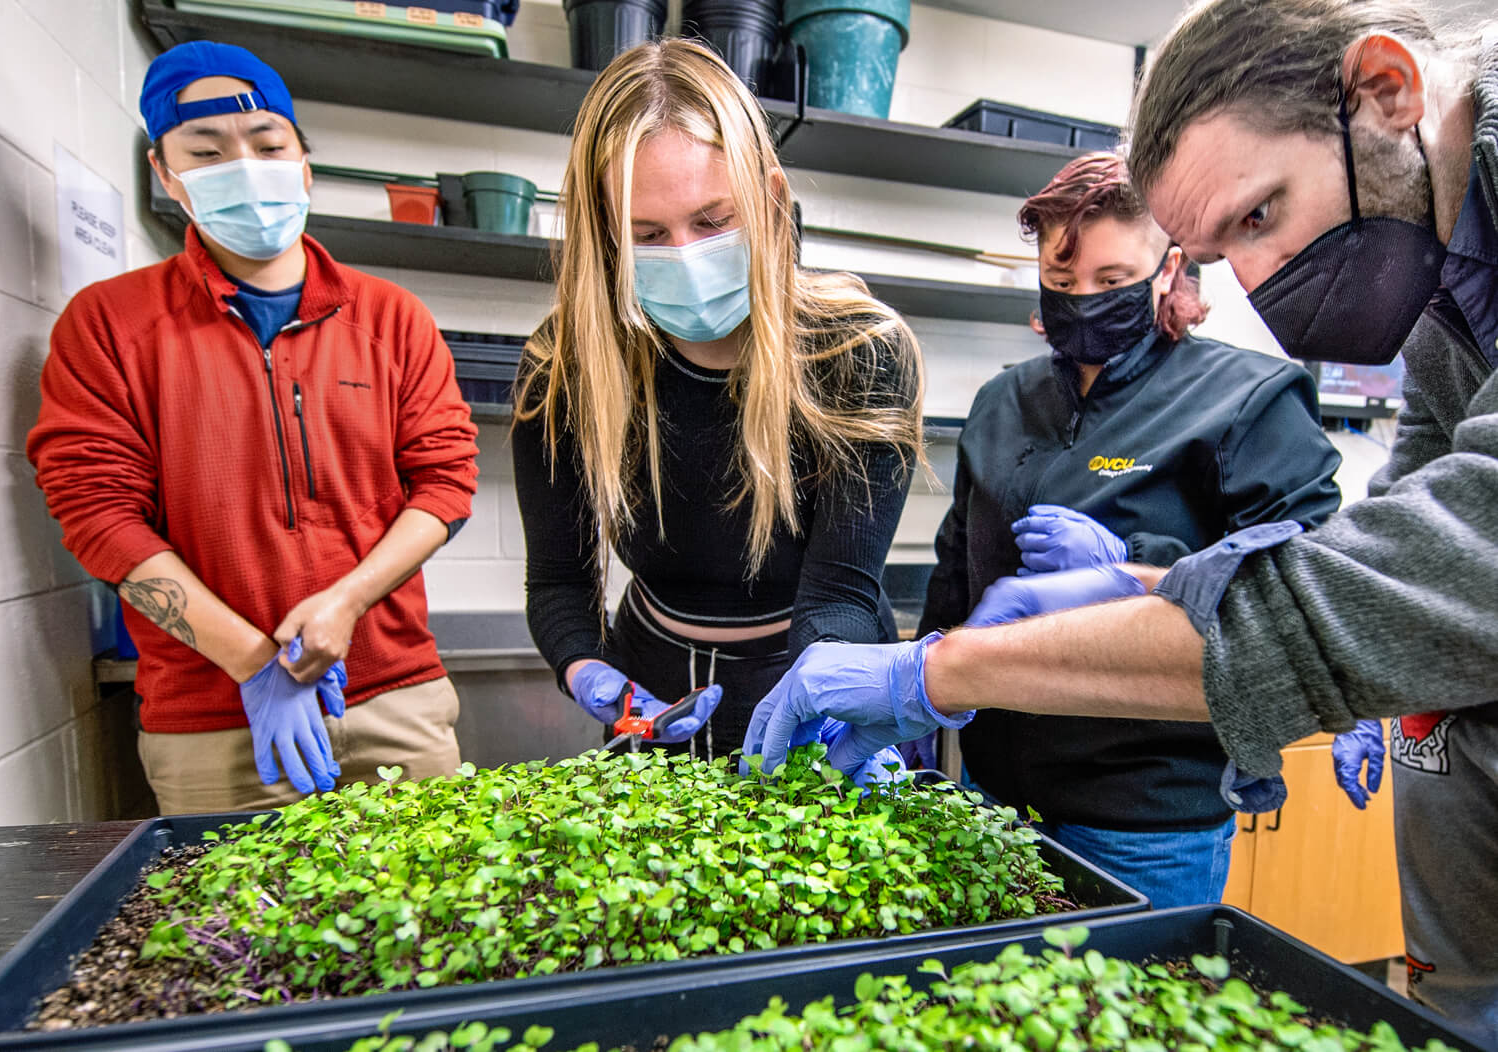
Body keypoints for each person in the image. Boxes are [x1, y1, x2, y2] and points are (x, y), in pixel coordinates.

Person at [743, 0, 1498, 1041]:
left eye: (1260, 216)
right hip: (1022, 777)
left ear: (1387, 91)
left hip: (1152, 798)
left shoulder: (1242, 391)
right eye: (1231, 248)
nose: (1265, 284)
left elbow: (1381, 572)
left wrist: (944, 668)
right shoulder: (1452, 296)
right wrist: (1128, 597)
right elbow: (1407, 521)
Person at [27, 41, 479, 815]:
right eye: (206, 151)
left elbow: (445, 481)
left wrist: (344, 603)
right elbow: (98, 514)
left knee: (431, 930)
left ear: (303, 163)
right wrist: (254, 662)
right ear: (167, 177)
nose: (245, 165)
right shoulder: (108, 325)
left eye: (268, 145)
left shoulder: (391, 319)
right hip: (215, 722)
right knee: (239, 937)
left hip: (395, 701)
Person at [917, 151, 1342, 908]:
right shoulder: (1002, 401)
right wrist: (919, 692)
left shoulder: (1247, 397)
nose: (1083, 300)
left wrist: (1135, 562)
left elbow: (1306, 582)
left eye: (1112, 282)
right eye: (1062, 280)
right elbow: (958, 563)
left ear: (1169, 265)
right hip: (990, 797)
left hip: (1144, 824)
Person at [511, 39, 923, 775]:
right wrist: (584, 667)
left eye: (711, 221)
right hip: (653, 690)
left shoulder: (858, 354)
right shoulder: (563, 370)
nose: (686, 255)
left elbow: (839, 592)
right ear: (605, 239)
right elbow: (559, 583)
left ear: (768, 197)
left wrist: (822, 696)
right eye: (646, 235)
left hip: (815, 670)